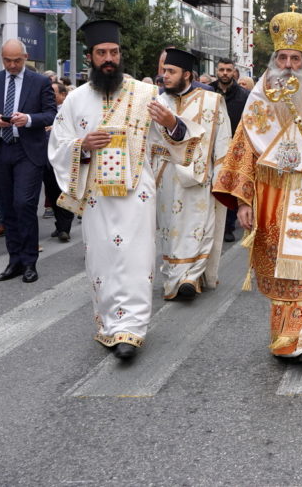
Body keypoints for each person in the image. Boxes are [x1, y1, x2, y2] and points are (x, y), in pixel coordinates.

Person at [48, 20, 203, 360]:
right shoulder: (75, 100)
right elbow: (57, 146)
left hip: (137, 195)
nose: (109, 59)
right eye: (102, 53)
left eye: (114, 53)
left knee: (136, 259)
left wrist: (170, 124)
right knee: (102, 260)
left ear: (121, 56)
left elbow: (176, 144)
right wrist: (82, 145)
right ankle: (108, 325)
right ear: (90, 56)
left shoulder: (145, 95)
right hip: (96, 197)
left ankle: (131, 330)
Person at [213, 8, 302, 364]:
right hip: (271, 194)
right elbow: (243, 149)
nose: (289, 65)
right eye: (283, 58)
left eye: (295, 58)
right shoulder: (259, 99)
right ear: (274, 60)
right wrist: (243, 201)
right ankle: (284, 338)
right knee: (280, 266)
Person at [0, 39, 56, 284]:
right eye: (7, 60)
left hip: (28, 151)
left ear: (25, 57)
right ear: (1, 57)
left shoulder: (40, 82)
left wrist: (28, 119)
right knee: (7, 208)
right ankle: (15, 261)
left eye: (17, 60)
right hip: (1, 150)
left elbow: (51, 113)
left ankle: (30, 261)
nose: (11, 65)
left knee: (24, 204)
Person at [154, 49, 231, 300]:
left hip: (201, 177)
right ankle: (174, 278)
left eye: (171, 72)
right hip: (167, 177)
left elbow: (223, 140)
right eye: (164, 71)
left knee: (199, 227)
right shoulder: (159, 102)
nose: (165, 76)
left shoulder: (212, 100)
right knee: (171, 231)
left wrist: (222, 176)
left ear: (186, 75)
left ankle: (191, 277)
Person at [210, 57, 250, 243]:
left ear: (234, 71)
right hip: (212, 147)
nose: (225, 73)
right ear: (217, 71)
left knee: (231, 187)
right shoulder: (207, 91)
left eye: (228, 70)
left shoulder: (244, 96)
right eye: (221, 69)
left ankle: (228, 225)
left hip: (235, 148)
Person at [41, 81, 74, 242]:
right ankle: (59, 224)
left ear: (63, 95)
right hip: (46, 159)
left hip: (64, 158)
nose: (49, 96)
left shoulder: (69, 111)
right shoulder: (43, 110)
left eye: (53, 93)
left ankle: (65, 227)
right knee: (52, 193)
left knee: (64, 192)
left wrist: (56, 130)